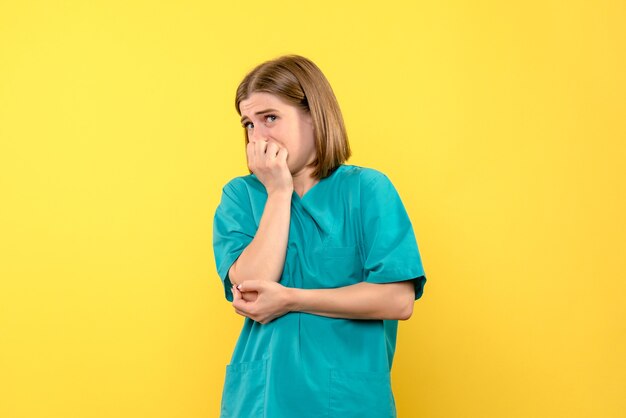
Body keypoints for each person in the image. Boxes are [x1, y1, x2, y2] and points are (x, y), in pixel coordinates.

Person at [212, 54, 427, 418]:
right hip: (260, 401)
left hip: (346, 403)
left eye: (270, 118)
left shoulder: (367, 190)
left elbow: (397, 300)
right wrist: (279, 192)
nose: (258, 136)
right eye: (248, 124)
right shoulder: (240, 196)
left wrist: (292, 299)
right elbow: (251, 287)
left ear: (314, 115)